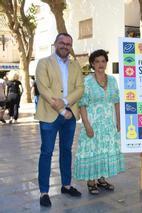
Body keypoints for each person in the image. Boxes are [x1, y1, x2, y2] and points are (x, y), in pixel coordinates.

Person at [35, 33, 84, 207]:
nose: (65, 46)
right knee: (46, 152)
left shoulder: (75, 66)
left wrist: (65, 102)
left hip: (70, 116)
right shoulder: (44, 63)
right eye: (62, 43)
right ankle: (44, 192)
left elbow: (80, 88)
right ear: (55, 43)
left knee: (66, 151)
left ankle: (66, 185)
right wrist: (62, 110)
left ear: (71, 46)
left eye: (68, 44)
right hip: (50, 115)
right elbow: (43, 89)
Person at [74, 49, 125, 195]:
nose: (100, 64)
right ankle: (91, 182)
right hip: (93, 123)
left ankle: (102, 179)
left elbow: (116, 102)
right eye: (97, 61)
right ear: (92, 64)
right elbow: (82, 104)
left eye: (103, 61)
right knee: (92, 150)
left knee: (105, 150)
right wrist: (87, 125)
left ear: (106, 63)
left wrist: (118, 122)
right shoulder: (87, 81)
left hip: (109, 124)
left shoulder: (113, 80)